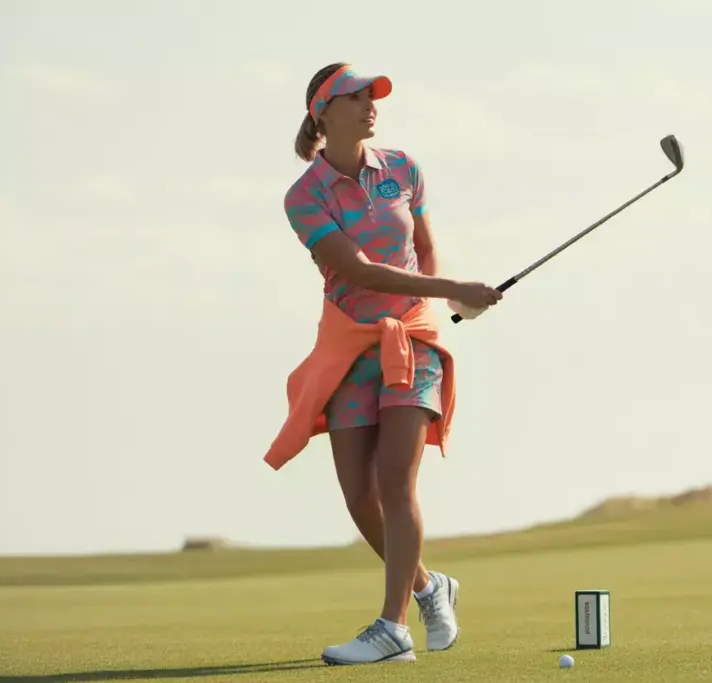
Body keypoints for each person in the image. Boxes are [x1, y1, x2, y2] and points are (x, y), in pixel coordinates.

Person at [277, 62, 503, 665]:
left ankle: (393, 627)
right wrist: (454, 285)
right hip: (350, 344)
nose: (370, 105)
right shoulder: (303, 197)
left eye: (372, 96)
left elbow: (423, 248)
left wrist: (450, 297)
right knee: (359, 498)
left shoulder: (403, 168)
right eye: (355, 97)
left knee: (395, 481)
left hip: (414, 339)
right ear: (322, 112)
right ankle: (431, 586)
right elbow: (353, 270)